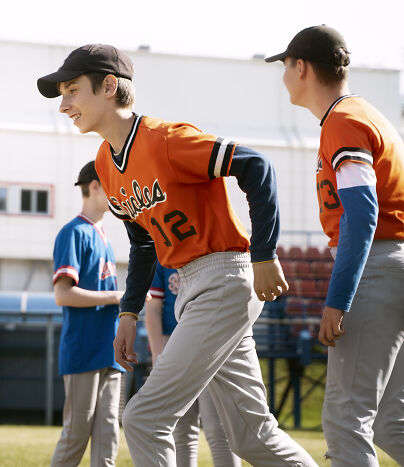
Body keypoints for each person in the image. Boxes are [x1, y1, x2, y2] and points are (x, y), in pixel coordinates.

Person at [37, 44, 318, 466]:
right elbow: (143, 243)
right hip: (193, 286)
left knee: (144, 418)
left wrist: (263, 253)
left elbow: (256, 167)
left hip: (223, 276)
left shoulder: (165, 139)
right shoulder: (105, 163)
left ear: (109, 85)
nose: (64, 105)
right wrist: (128, 313)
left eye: (72, 90)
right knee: (251, 436)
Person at [265, 25, 404, 466]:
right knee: (389, 421)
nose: (283, 75)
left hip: (379, 266)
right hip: (393, 262)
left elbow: (362, 216)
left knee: (346, 419)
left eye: (285, 66)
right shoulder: (362, 112)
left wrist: (337, 300)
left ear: (301, 67)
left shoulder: (343, 120)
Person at [50, 160, 126, 467]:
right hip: (83, 348)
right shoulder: (74, 232)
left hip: (109, 349)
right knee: (76, 434)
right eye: (112, 182)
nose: (118, 190)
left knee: (108, 435)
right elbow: (62, 294)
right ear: (94, 186)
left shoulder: (103, 233)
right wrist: (117, 297)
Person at [146, 264, 241, 467]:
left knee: (218, 426)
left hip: (210, 340)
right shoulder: (162, 254)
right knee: (181, 428)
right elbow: (153, 308)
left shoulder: (210, 248)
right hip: (173, 342)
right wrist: (157, 354)